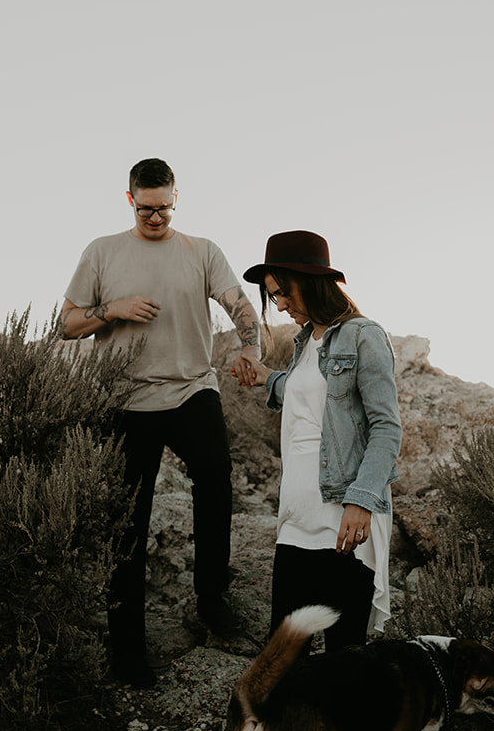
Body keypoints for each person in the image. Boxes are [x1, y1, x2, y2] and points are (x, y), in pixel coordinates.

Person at [59, 158, 262, 688]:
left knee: (217, 478)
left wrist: (250, 348)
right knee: (127, 520)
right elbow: (68, 324)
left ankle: (211, 598)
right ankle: (128, 653)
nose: (155, 218)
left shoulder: (202, 251)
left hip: (192, 387)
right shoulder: (102, 251)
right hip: (125, 400)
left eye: (164, 208)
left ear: (177, 199)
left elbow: (239, 304)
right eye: (146, 208)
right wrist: (115, 308)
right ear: (129, 200)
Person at [233, 230, 401, 651]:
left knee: (343, 662)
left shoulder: (363, 335)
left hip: (343, 520)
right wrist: (263, 379)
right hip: (296, 518)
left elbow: (386, 426)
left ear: (307, 280)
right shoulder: (306, 342)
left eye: (282, 293)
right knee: (284, 659)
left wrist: (361, 499)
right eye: (273, 297)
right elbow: (305, 396)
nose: (281, 305)